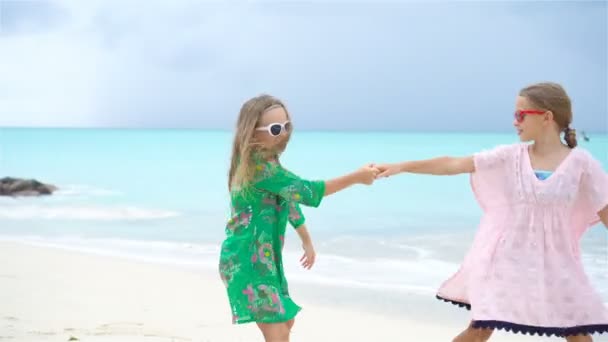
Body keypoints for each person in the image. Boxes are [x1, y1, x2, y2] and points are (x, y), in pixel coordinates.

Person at [374, 82, 608, 341]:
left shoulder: (582, 164)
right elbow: (454, 163)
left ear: (547, 117)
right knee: (480, 330)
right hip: (505, 261)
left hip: (558, 264)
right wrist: (402, 166)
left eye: (520, 114)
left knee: (577, 333)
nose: (514, 122)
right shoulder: (510, 156)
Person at [219, 94, 378, 342]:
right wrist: (357, 177)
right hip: (247, 261)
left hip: (264, 260)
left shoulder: (266, 164)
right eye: (274, 129)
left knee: (286, 321)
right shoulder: (260, 169)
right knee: (277, 330)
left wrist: (306, 240)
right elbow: (308, 192)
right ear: (252, 133)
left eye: (286, 126)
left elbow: (289, 201)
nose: (283, 134)